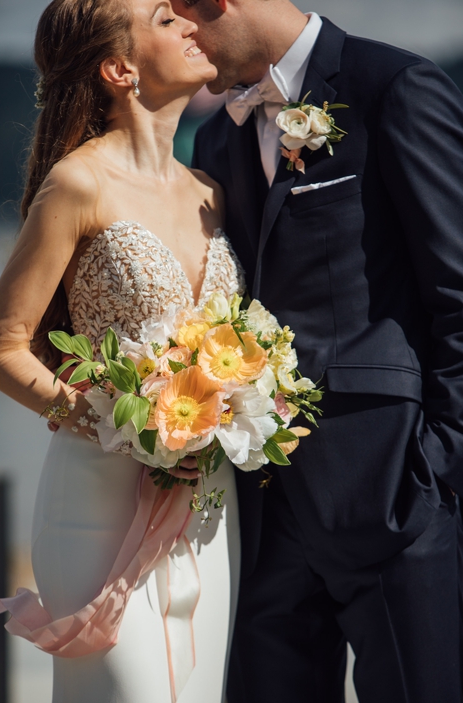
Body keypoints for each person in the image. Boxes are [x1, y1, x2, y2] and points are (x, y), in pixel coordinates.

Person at [170, 0, 463, 700]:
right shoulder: (215, 143)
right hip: (267, 518)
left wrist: (438, 468)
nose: (182, 38)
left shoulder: (394, 87)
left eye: (183, 17)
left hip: (394, 495)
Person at [0, 0, 242, 700]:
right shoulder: (79, 182)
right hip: (97, 498)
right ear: (119, 68)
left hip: (207, 508)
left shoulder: (212, 193)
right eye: (167, 20)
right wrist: (109, 418)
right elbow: (4, 345)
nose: (194, 26)